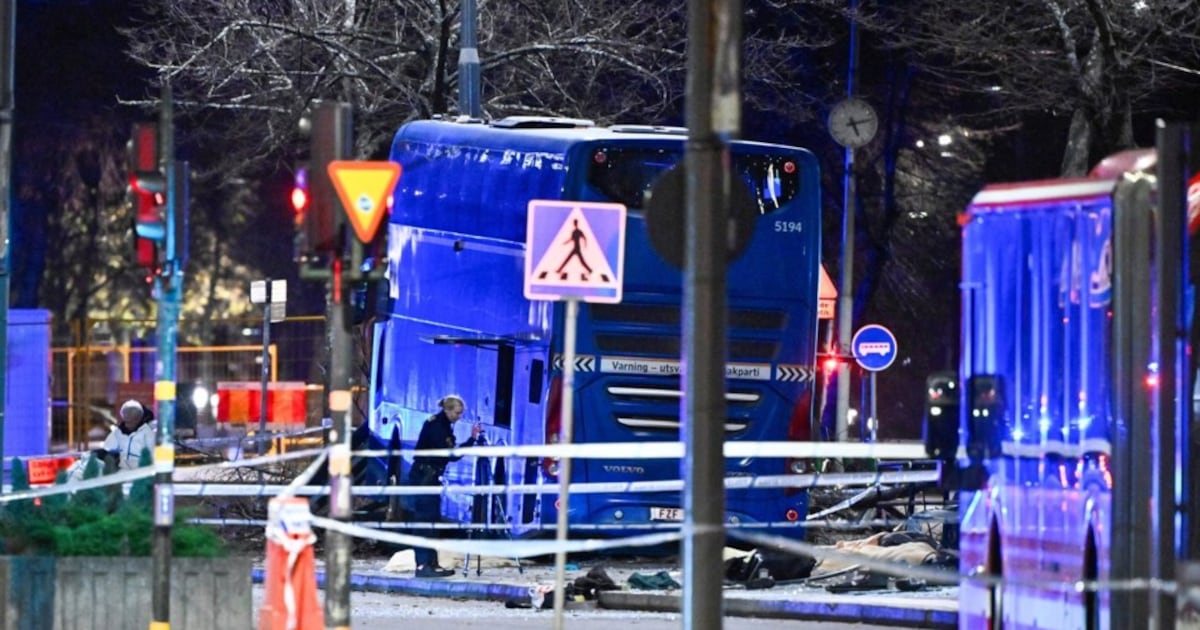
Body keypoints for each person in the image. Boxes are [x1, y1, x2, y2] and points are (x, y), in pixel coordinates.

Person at [408, 394, 482, 578]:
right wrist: (471, 440)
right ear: (447, 410)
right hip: (425, 476)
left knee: (432, 520)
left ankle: (432, 563)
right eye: (457, 412)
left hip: (430, 475)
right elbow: (451, 454)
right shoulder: (437, 426)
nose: (459, 416)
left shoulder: (442, 424)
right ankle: (423, 564)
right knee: (425, 521)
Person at [68, 399, 157, 481]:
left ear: (138, 418)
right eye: (125, 419)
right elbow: (108, 448)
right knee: (85, 464)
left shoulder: (148, 434)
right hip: (117, 468)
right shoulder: (120, 432)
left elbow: (150, 461)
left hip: (133, 473)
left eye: (130, 420)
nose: (127, 424)